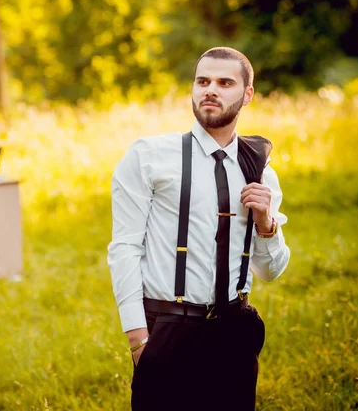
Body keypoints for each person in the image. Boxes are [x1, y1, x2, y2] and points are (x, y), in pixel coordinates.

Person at [107, 47, 290, 410]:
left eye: (225, 83)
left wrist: (266, 225)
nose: (211, 90)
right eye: (203, 81)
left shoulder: (261, 172)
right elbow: (124, 247)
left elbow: (271, 270)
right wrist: (139, 340)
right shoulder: (148, 156)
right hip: (168, 329)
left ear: (247, 94)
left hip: (234, 333)